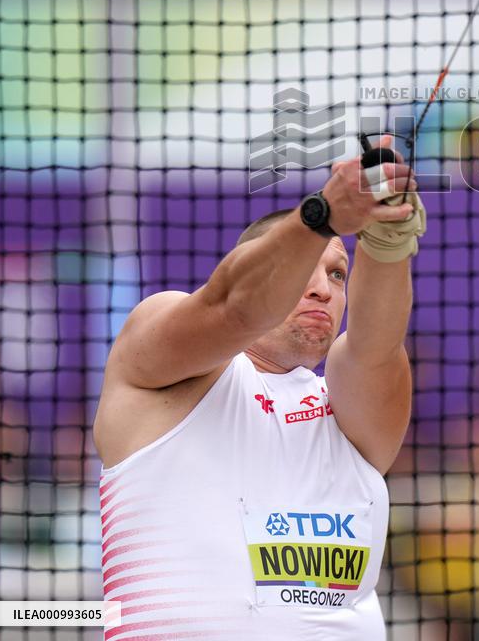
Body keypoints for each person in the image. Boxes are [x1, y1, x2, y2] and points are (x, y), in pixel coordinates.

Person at [93, 135, 426, 640]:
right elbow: (237, 309)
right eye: (308, 271)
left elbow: (374, 346)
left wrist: (386, 236)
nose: (324, 289)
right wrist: (323, 217)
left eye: (338, 274)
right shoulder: (162, 356)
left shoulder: (347, 411)